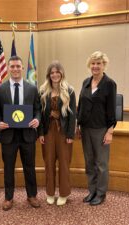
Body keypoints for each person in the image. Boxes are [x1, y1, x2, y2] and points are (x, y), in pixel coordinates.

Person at [0, 55, 41, 211]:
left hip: (27, 135)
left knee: (30, 167)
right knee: (8, 168)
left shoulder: (32, 88)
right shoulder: (0, 89)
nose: (15, 69)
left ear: (22, 68)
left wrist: (37, 120)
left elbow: (38, 109)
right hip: (8, 135)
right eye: (12, 66)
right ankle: (8, 198)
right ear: (8, 68)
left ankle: (32, 195)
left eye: (18, 66)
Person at [76, 51, 117, 206]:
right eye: (93, 63)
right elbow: (81, 105)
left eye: (98, 63)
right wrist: (78, 125)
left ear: (103, 65)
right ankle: (92, 191)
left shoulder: (109, 84)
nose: (95, 66)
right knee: (89, 162)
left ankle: (101, 193)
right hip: (86, 128)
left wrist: (110, 131)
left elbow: (112, 110)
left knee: (101, 164)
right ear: (89, 65)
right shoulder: (86, 82)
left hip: (101, 129)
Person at [38, 61, 76, 206]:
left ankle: (64, 193)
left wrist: (70, 135)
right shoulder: (42, 91)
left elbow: (73, 115)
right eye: (52, 72)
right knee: (49, 162)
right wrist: (40, 133)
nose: (54, 75)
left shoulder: (69, 90)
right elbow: (40, 114)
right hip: (48, 131)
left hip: (63, 131)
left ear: (61, 73)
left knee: (64, 163)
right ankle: (50, 193)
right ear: (49, 75)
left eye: (57, 72)